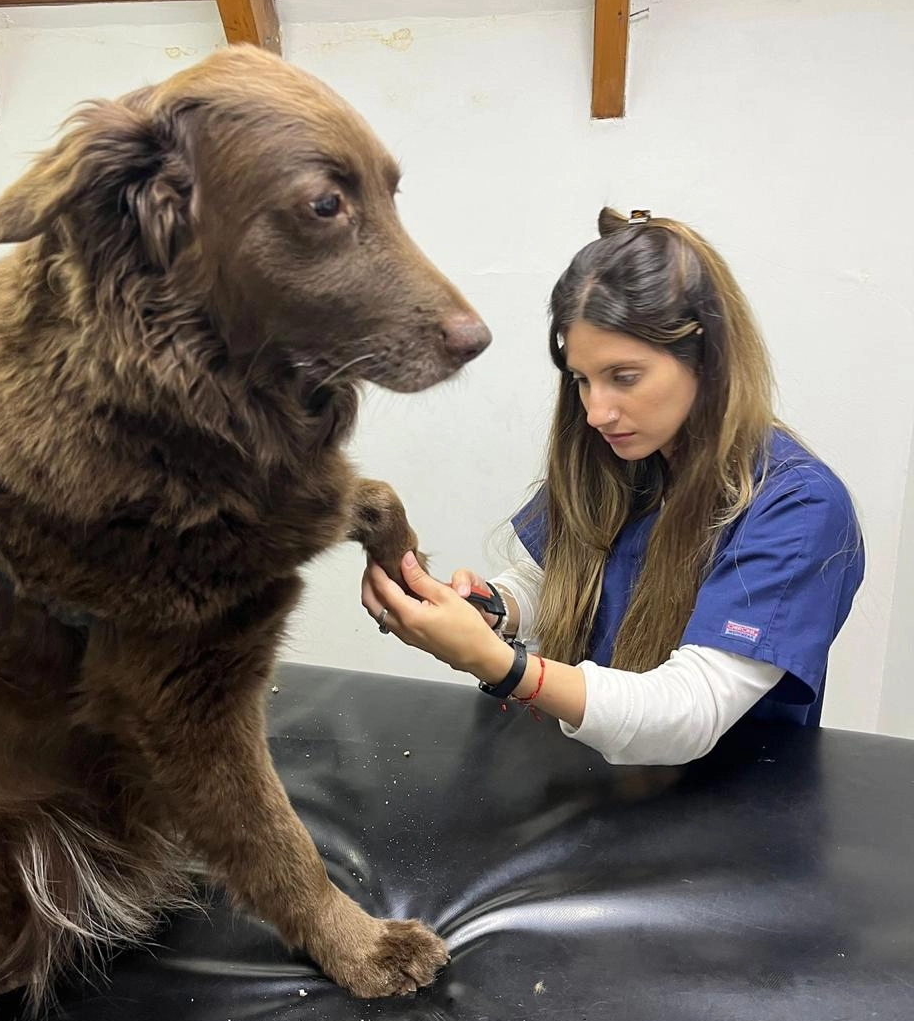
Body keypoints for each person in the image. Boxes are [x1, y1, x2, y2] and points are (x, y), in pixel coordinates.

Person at [361, 208, 865, 766]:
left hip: (725, 813)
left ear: (709, 354)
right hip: (598, 782)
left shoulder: (798, 508)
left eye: (624, 377)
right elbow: (554, 578)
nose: (597, 412)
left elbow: (688, 713)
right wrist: (493, 609)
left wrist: (503, 667)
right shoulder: (623, 457)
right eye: (582, 379)